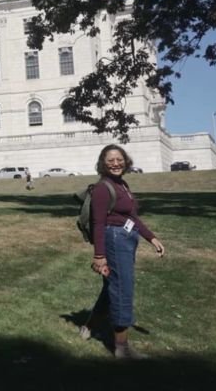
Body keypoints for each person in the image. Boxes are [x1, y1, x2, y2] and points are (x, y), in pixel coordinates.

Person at [80, 144, 165, 359]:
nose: (116, 163)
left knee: (112, 288)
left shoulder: (122, 184)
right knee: (122, 290)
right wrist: (99, 256)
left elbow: (133, 217)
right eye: (110, 160)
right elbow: (98, 223)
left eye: (119, 159)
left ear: (126, 162)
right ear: (103, 164)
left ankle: (89, 326)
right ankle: (122, 349)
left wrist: (151, 238)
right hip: (115, 240)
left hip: (127, 239)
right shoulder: (102, 188)